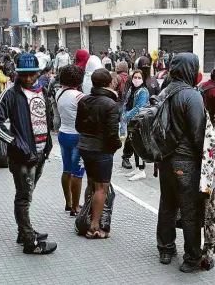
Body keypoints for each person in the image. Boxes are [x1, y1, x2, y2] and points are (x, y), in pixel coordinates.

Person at [0, 53, 57, 254]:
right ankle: (30, 242)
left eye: (32, 74)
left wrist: (46, 147)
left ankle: (24, 231)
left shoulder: (42, 91)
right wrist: (15, 142)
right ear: (18, 73)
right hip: (22, 156)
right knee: (24, 197)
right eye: (24, 75)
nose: (28, 79)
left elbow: (45, 118)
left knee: (27, 194)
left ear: (38, 73)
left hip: (39, 153)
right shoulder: (10, 94)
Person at [156, 53, 206, 272]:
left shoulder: (164, 92)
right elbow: (198, 134)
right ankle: (192, 258)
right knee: (189, 211)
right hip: (185, 161)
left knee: (167, 204)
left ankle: (165, 249)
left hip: (164, 159)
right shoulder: (191, 95)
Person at [76, 68, 122, 238]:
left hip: (85, 146)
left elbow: (78, 126)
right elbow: (112, 133)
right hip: (101, 149)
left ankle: (88, 217)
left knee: (91, 183)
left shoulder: (84, 100)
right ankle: (95, 226)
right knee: (101, 188)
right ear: (109, 84)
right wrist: (116, 145)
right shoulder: (110, 104)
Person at [53, 65, 85, 216]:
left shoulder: (59, 93)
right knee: (77, 173)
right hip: (78, 136)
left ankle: (68, 203)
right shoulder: (79, 97)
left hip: (63, 133)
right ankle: (76, 207)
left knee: (66, 170)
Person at [121, 70, 150, 180]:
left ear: (142, 79)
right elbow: (126, 103)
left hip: (139, 121)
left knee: (140, 145)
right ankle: (138, 168)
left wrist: (126, 115)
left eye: (139, 77)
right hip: (132, 121)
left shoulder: (143, 91)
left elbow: (139, 108)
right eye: (135, 77)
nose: (136, 80)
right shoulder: (132, 89)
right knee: (134, 145)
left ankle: (141, 170)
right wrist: (125, 114)